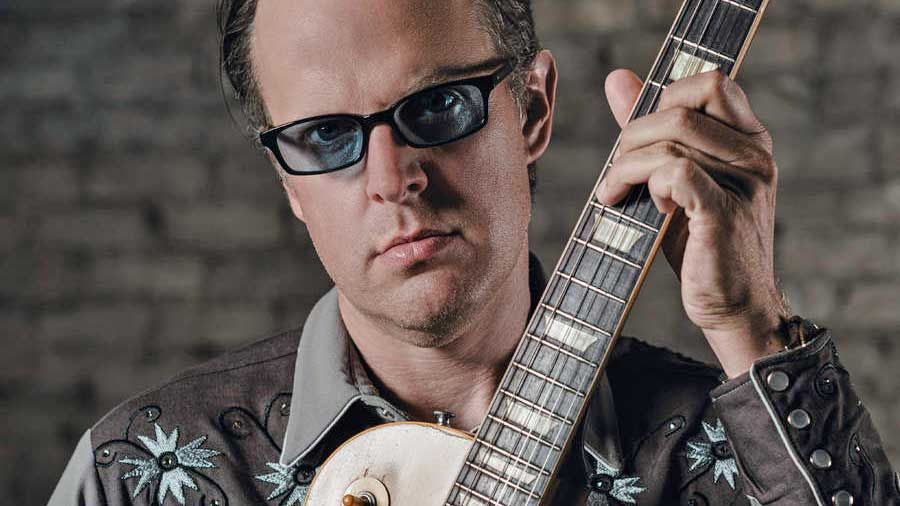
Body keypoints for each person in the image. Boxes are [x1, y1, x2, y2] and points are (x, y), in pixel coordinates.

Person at [48, 0, 898, 505]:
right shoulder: (143, 471)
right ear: (288, 184)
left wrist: (747, 323)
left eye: (440, 106)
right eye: (323, 137)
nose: (392, 179)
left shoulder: (732, 450)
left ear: (531, 110)